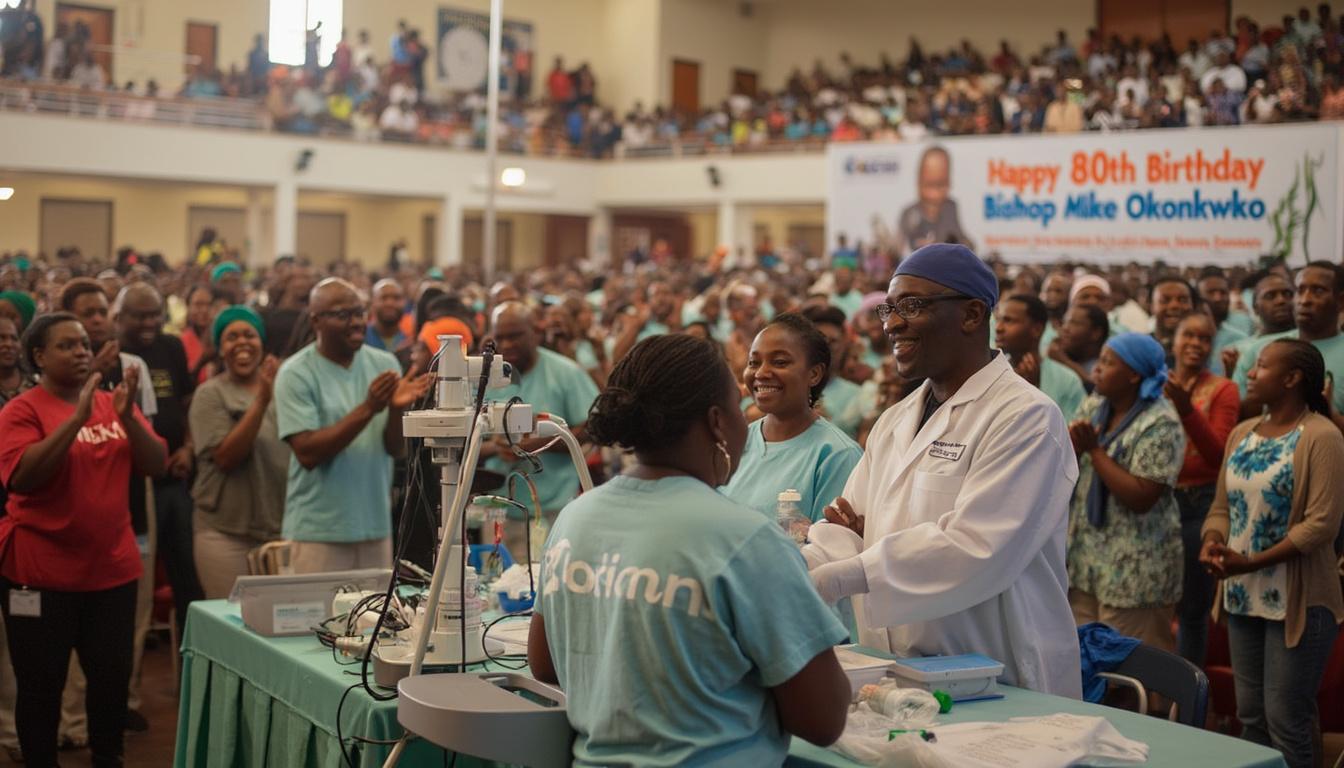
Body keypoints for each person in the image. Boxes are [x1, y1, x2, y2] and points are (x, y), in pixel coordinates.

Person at [528, 334, 850, 764]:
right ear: (717, 421)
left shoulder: (575, 518)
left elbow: (545, 664)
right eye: (739, 408)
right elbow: (823, 719)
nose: (744, 423)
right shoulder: (745, 538)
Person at [803, 243, 1082, 696]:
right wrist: (803, 564)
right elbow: (845, 522)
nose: (892, 323)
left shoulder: (1026, 417)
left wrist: (845, 574)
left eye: (911, 306)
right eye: (889, 308)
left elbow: (976, 547)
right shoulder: (895, 421)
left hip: (996, 677)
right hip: (896, 674)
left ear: (972, 315)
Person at [0, 312, 166, 768]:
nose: (81, 353)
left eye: (84, 346)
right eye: (67, 346)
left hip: (110, 571)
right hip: (39, 576)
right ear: (38, 356)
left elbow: (156, 463)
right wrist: (74, 419)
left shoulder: (113, 402)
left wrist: (127, 417)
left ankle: (107, 757)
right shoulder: (22, 410)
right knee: (41, 685)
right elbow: (23, 478)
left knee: (110, 681)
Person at [1202, 339, 1343, 768]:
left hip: (1298, 602)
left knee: (1287, 719)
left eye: (1260, 366)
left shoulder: (1323, 436)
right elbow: (1223, 507)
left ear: (1291, 378)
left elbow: (1321, 525)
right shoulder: (1244, 433)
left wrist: (1251, 562)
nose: (1249, 372)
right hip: (1244, 595)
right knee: (1252, 717)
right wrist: (1213, 541)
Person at [274, 279, 430, 573]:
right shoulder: (295, 373)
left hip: (375, 526)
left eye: (360, 313)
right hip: (318, 532)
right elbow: (307, 453)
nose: (356, 323)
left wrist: (396, 410)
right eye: (343, 315)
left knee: (373, 619)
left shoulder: (384, 364)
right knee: (318, 619)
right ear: (316, 321)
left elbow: (394, 449)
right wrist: (369, 408)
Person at [1066, 333, 1186, 651]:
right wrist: (1074, 450)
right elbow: (1069, 469)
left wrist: (1095, 451)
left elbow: (1141, 497)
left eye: (1107, 363)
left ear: (1133, 373)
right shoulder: (1095, 405)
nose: (1096, 370)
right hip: (1087, 563)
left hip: (1136, 574)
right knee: (1085, 666)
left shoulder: (1161, 422)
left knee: (1133, 676)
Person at [114, 284, 203, 636]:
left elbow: (186, 402)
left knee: (188, 581)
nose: (150, 322)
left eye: (155, 314)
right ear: (119, 317)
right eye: (140, 315)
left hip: (174, 483)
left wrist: (189, 447)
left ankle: (187, 673)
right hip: (133, 487)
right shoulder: (112, 356)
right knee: (138, 584)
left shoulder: (171, 346)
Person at [483, 302, 599, 559]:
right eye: (500, 337)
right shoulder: (486, 379)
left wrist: (538, 444)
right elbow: (466, 442)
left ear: (535, 332)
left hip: (554, 508)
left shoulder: (565, 373)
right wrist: (497, 448)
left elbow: (593, 427)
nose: (508, 344)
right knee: (496, 591)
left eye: (515, 336)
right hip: (498, 511)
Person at [723, 313, 862, 525]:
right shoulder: (737, 441)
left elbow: (832, 549)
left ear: (814, 374)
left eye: (779, 362)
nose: (761, 373)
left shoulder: (837, 455)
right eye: (754, 362)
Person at [189, 307, 288, 599]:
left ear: (262, 343)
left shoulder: (285, 390)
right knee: (231, 623)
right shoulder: (210, 394)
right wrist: (260, 402)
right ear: (220, 348)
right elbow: (226, 457)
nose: (242, 343)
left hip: (279, 530)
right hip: (224, 534)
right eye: (231, 337)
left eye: (249, 335)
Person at [1164, 313, 1240, 667]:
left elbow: (1217, 455)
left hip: (1200, 505)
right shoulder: (1155, 383)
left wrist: (1186, 410)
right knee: (1156, 604)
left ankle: (1187, 702)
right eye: (1188, 335)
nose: (1196, 344)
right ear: (1173, 340)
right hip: (1157, 504)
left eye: (1205, 338)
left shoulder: (1224, 389)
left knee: (1193, 610)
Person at [1234, 262, 1344, 422]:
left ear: (1341, 301)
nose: (1305, 300)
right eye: (1299, 291)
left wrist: (1330, 415)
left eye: (1318, 291)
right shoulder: (1259, 350)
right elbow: (1234, 417)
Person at [997, 294, 1085, 419]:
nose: (998, 328)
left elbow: (1067, 434)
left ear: (1037, 329)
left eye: (1009, 320)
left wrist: (1031, 394)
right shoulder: (992, 372)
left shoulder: (1067, 381)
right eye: (998, 319)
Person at [803, 305, 875, 439]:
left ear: (843, 344)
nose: (826, 347)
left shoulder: (859, 395)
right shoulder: (791, 390)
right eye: (820, 340)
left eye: (833, 341)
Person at [1224, 270, 1297, 390]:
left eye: (1288, 294)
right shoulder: (1237, 350)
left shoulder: (1309, 340)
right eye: (1270, 296)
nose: (1281, 300)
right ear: (1255, 308)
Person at [897, 146, 972, 252]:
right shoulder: (910, 212)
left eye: (941, 185)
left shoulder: (950, 207)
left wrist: (965, 244)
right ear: (919, 182)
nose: (934, 194)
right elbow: (899, 246)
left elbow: (960, 238)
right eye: (929, 185)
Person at [1048, 304, 1109, 391]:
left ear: (1096, 333)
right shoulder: (1057, 356)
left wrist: (1064, 361)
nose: (1065, 328)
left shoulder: (1106, 365)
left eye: (1075, 323)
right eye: (1064, 322)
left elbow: (1097, 390)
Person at [1195, 267, 1250, 364]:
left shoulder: (1243, 332)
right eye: (1211, 293)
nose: (1218, 298)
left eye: (1223, 292)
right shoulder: (1186, 335)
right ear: (1198, 297)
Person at [1150, 276, 1196, 362]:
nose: (1174, 306)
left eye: (1183, 300)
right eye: (1165, 300)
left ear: (1192, 306)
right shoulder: (1140, 348)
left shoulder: (1201, 348)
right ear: (1152, 307)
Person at [177, 284, 217, 384]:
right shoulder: (180, 342)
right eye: (198, 305)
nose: (204, 310)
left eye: (209, 304)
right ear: (188, 307)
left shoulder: (222, 338)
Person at [365, 278, 407, 352]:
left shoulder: (410, 340)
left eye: (396, 298)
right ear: (372, 303)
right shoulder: (361, 339)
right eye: (384, 298)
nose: (390, 303)